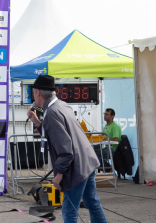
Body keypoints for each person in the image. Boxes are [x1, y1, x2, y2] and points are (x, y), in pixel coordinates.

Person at [27, 75, 106, 223]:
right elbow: (55, 134)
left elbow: (66, 150)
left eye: (33, 93)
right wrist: (36, 122)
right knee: (92, 203)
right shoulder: (62, 105)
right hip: (87, 162)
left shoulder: (51, 113)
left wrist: (59, 175)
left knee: (69, 210)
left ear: (38, 93)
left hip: (76, 168)